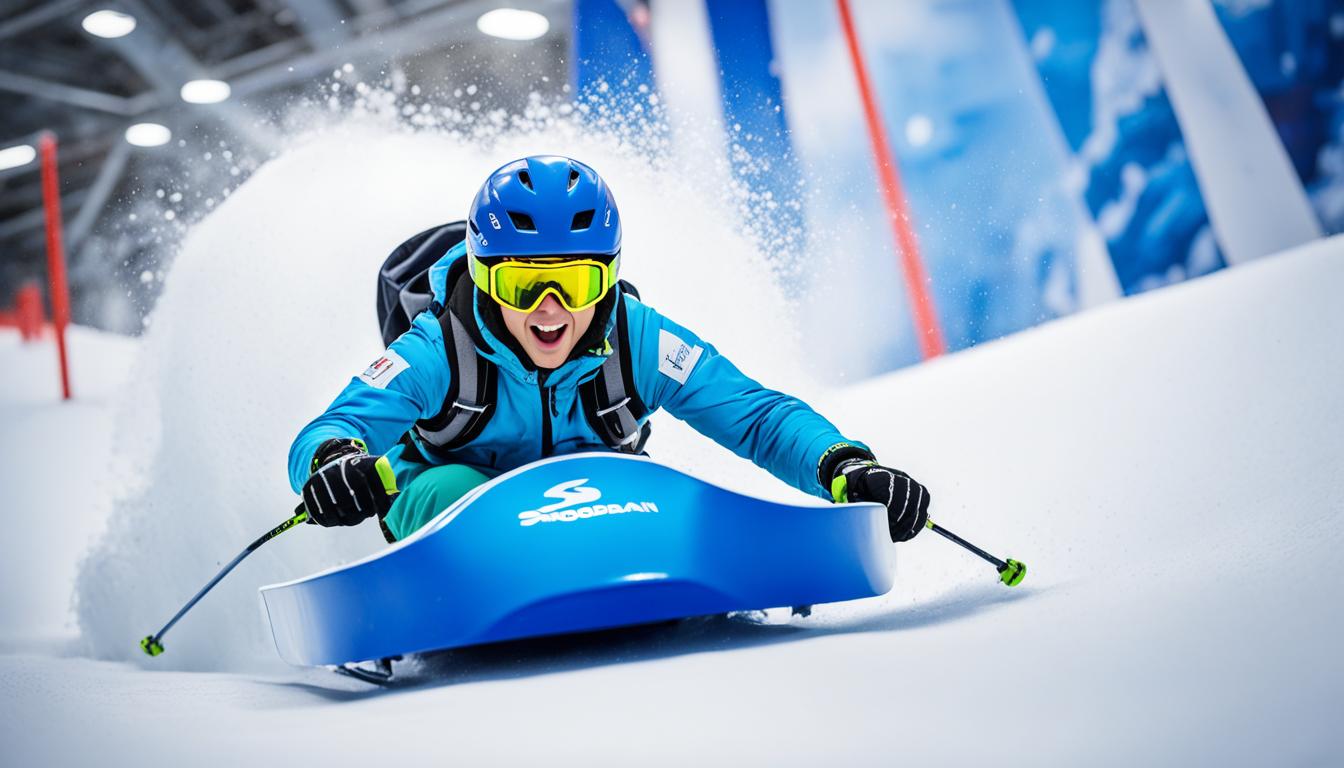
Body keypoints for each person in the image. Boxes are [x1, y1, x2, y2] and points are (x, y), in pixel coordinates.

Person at [289, 155, 930, 544]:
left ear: (608, 277)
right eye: (521, 283)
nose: (550, 309)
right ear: (484, 279)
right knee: (456, 486)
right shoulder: (436, 348)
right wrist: (333, 466)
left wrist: (842, 465)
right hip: (451, 510)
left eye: (574, 283)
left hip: (591, 501)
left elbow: (755, 416)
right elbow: (335, 426)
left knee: (651, 483)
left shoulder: (638, 339)